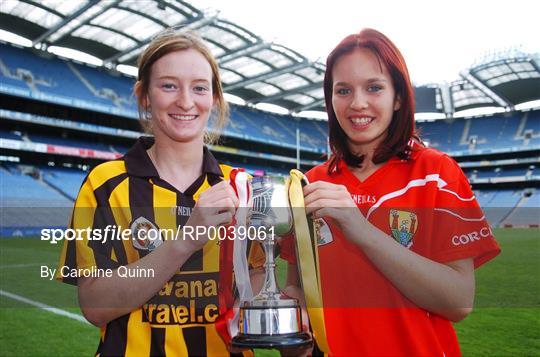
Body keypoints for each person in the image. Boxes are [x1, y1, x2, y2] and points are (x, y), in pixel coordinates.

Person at [281, 28, 500, 356]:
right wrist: (292, 335)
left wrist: (362, 231)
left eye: (374, 87)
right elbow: (296, 289)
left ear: (398, 96)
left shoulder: (436, 174)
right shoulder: (310, 183)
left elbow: (459, 302)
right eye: (343, 90)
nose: (357, 103)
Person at [56, 29, 263, 356]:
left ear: (215, 99)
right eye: (169, 85)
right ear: (144, 95)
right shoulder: (105, 184)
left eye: (199, 88)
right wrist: (186, 240)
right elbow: (94, 306)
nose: (185, 101)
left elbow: (257, 283)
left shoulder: (240, 187)